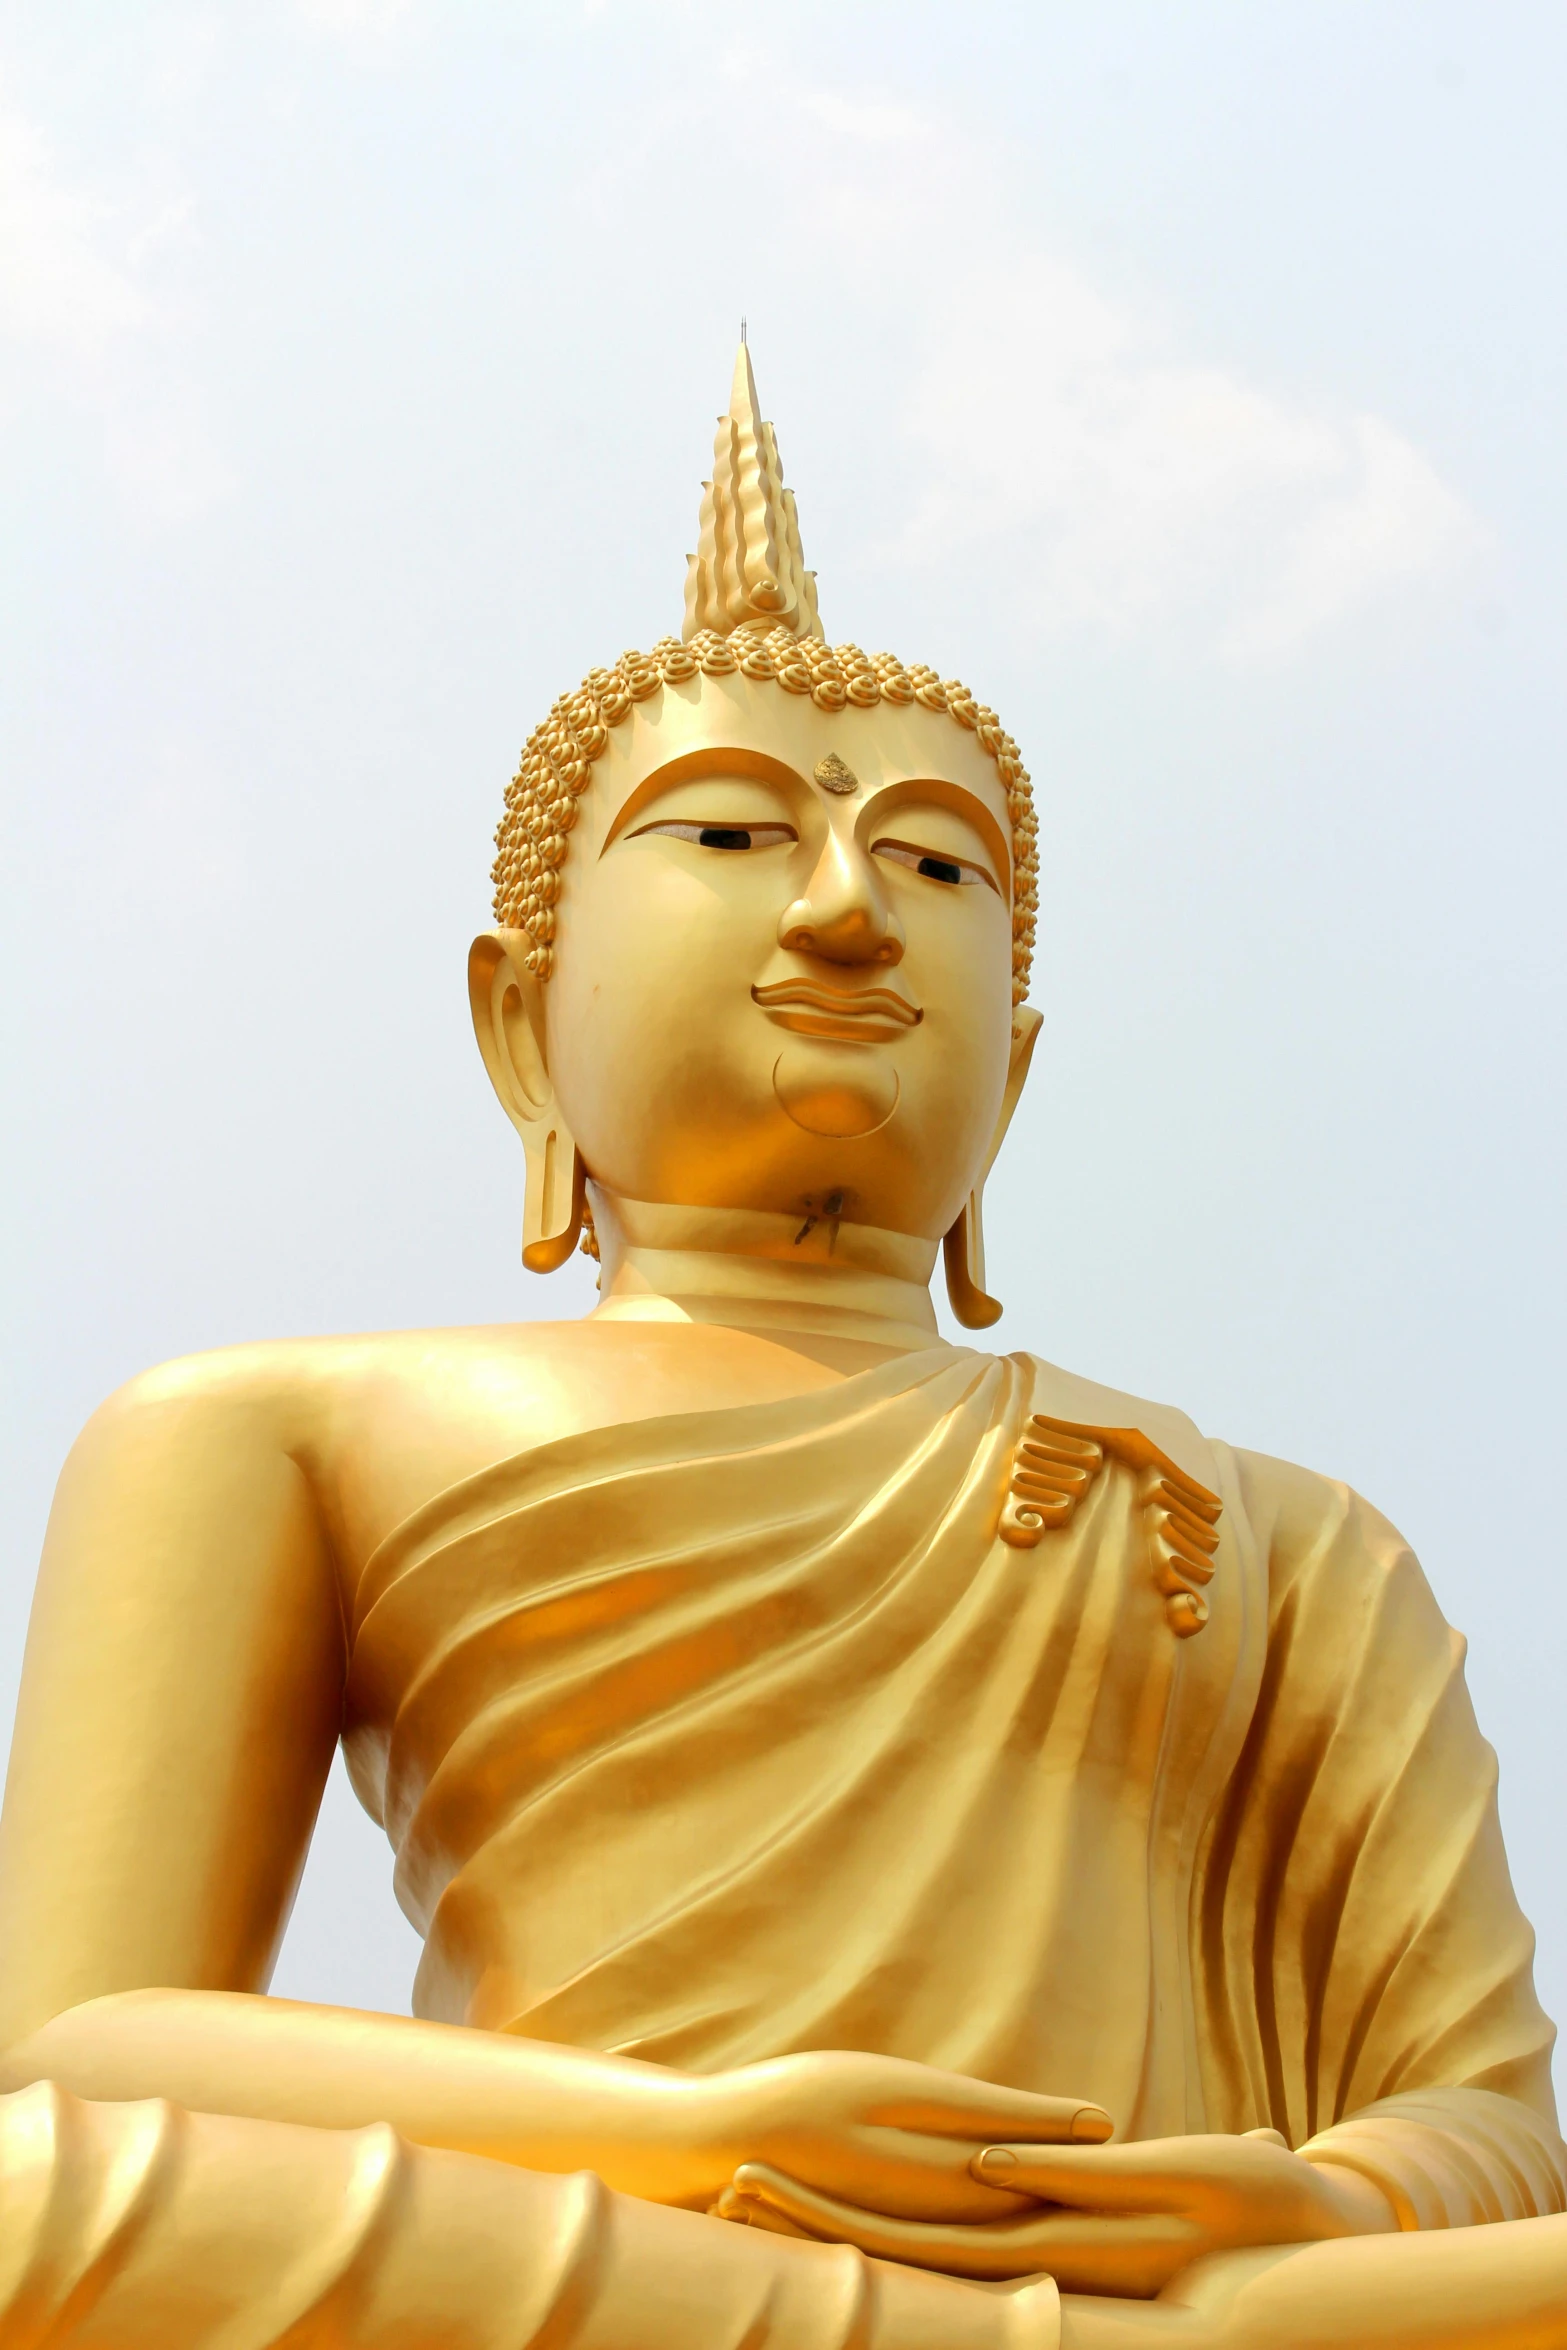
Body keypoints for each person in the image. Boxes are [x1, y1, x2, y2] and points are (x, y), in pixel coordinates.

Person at [0, 347, 1561, 2349]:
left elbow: (1495, 2123)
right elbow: (78, 2038)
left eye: (937, 866)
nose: (846, 910)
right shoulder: (270, 1427)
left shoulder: (1288, 1535)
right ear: (517, 1020)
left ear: (1023, 1057)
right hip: (629, 2257)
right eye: (731, 835)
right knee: (35, 2193)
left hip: (1207, 2277)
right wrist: (680, 2129)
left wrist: (1332, 2186)